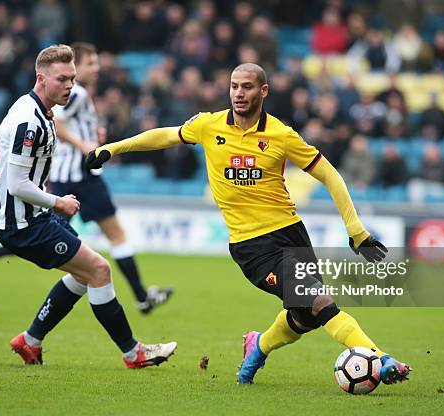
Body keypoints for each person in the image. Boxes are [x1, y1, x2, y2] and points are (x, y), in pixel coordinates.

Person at [86, 63, 411, 384]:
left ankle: (258, 345)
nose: (239, 93)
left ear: (263, 91)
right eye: (234, 86)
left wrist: (356, 229)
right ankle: (381, 360)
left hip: (291, 234)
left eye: (247, 87)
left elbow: (328, 174)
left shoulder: (281, 135)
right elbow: (165, 136)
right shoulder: (209, 125)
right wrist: (112, 149)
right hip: (252, 247)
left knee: (306, 316)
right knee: (320, 301)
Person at [0, 44, 176, 368]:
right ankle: (134, 353)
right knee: (99, 270)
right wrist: (57, 201)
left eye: (72, 78)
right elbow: (16, 184)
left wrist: (91, 136)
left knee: (83, 274)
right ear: (41, 78)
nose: (69, 85)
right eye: (62, 79)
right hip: (24, 223)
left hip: (34, 216)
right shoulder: (29, 121)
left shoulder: (42, 111)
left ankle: (30, 341)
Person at [50, 42, 173, 314]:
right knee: (114, 237)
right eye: (91, 63)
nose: (97, 68)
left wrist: (94, 137)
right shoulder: (78, 93)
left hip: (67, 176)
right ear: (76, 67)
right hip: (82, 176)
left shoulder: (81, 94)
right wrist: (85, 146)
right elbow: (56, 121)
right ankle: (142, 297)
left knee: (50, 235)